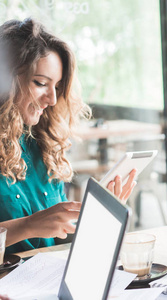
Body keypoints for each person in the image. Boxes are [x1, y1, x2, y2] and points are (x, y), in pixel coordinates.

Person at [0, 18, 137, 254]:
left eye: (58, 87)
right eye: (41, 83)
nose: (52, 99)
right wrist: (26, 226)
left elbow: (62, 241)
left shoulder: (43, 141)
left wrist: (101, 217)